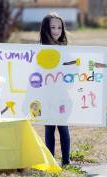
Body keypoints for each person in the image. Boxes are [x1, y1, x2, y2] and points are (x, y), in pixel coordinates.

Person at [39, 12, 70, 166]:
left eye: (59, 27)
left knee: (63, 127)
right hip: (46, 96)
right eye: (53, 27)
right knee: (49, 128)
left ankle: (66, 161)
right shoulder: (40, 50)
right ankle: (50, 161)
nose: (56, 30)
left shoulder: (64, 49)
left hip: (62, 96)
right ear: (46, 29)